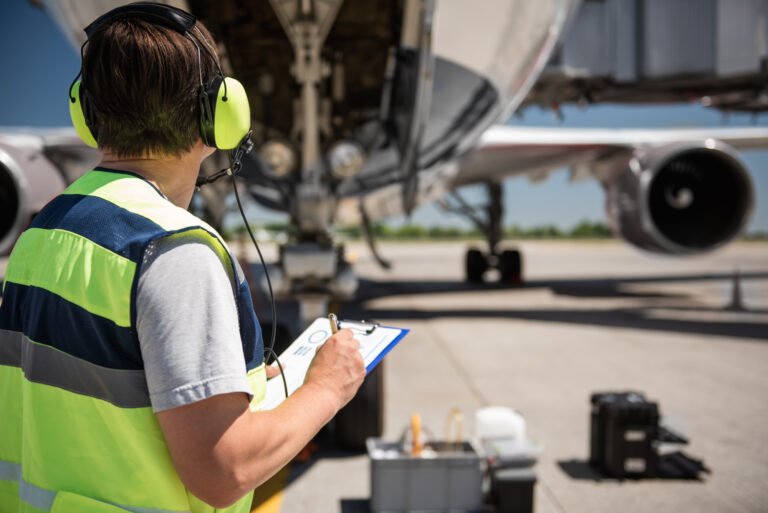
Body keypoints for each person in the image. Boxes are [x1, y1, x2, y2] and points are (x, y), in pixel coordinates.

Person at [0, 3, 365, 512]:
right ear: (219, 118)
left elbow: (102, 394)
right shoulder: (173, 252)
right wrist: (327, 389)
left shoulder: (41, 234)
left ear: (86, 115)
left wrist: (246, 382)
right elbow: (223, 470)